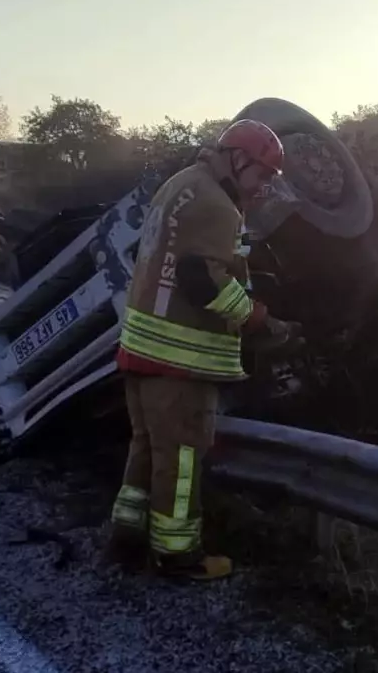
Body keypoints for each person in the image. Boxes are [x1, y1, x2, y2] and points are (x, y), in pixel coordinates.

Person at [105, 119, 299, 581]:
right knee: (183, 459)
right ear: (238, 158)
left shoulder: (181, 185)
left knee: (148, 448)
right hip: (180, 360)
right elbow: (201, 279)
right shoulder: (217, 205)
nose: (266, 185)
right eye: (264, 174)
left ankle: (127, 538)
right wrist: (259, 319)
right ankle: (178, 556)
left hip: (143, 348)